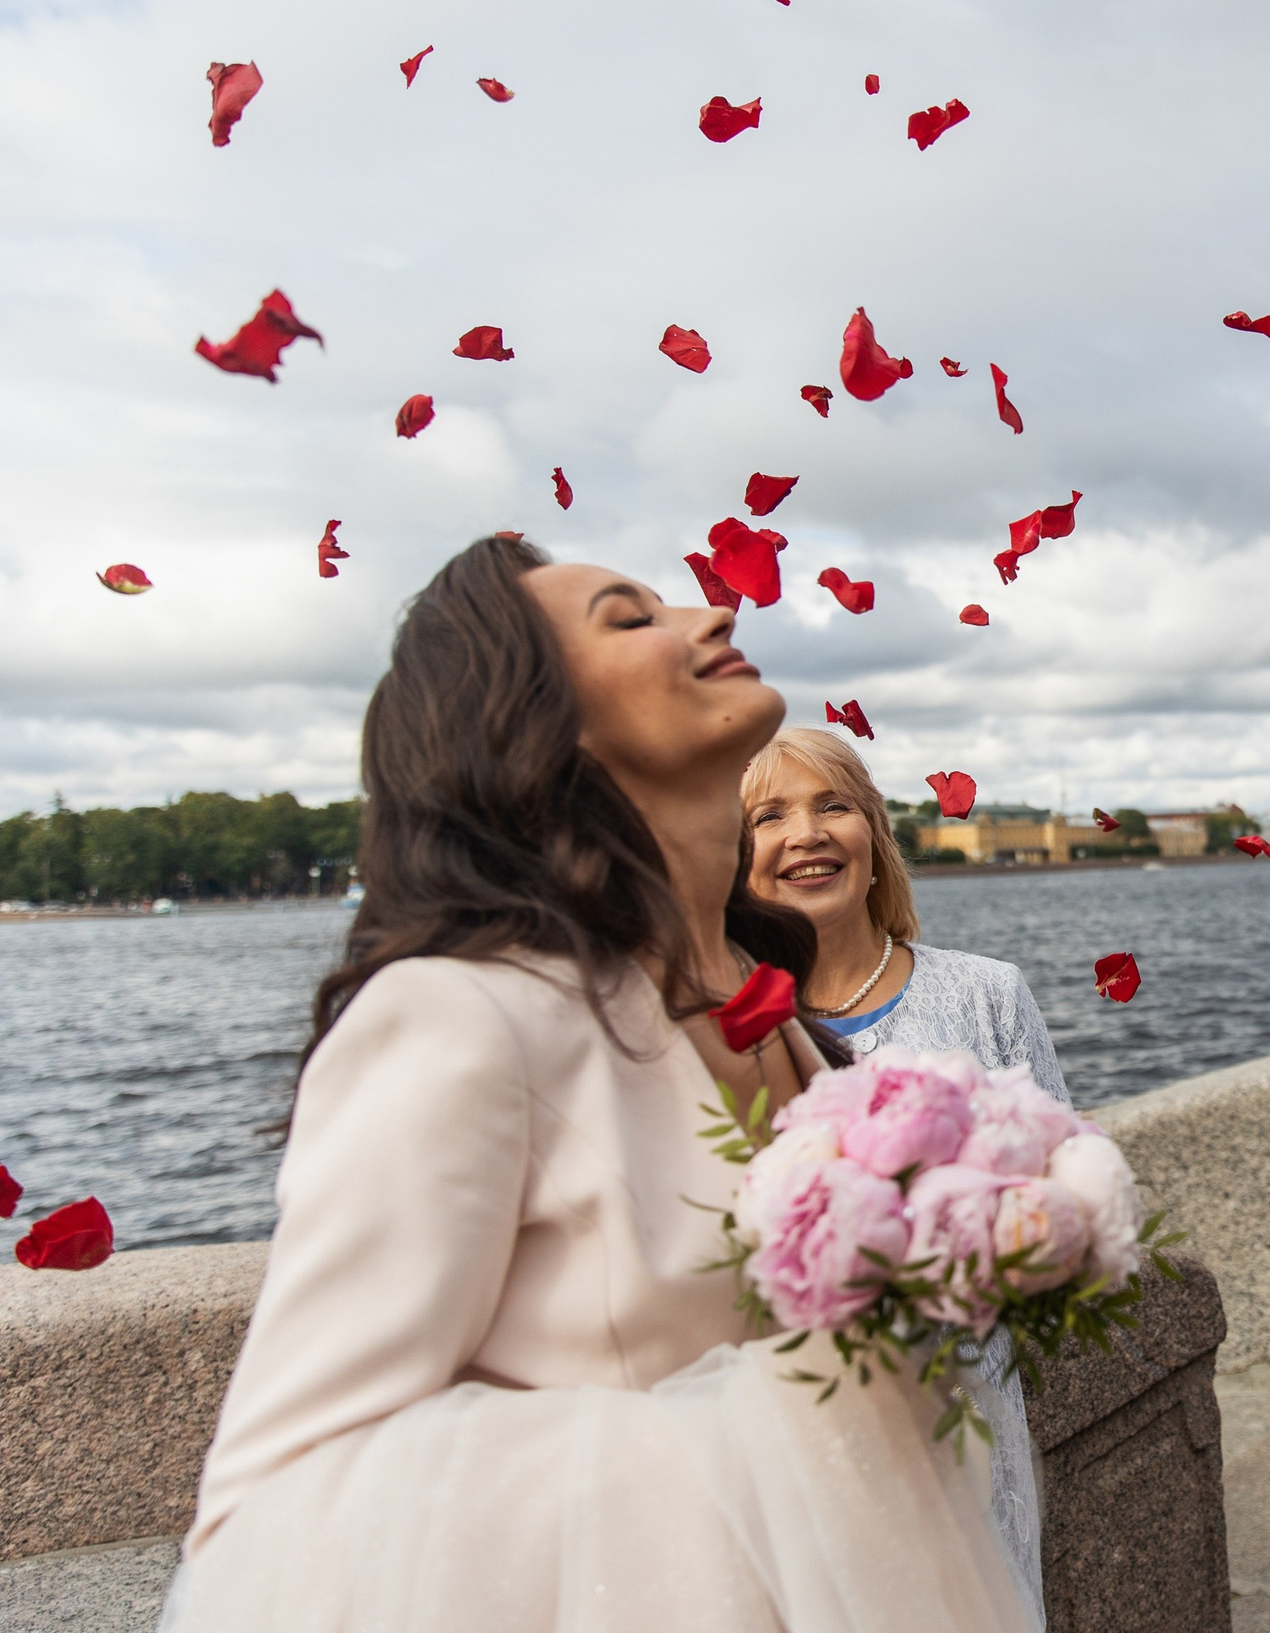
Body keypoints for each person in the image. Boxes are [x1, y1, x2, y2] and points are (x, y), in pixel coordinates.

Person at [163, 539, 1035, 1633]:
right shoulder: (458, 1016)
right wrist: (775, 1434)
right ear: (535, 726)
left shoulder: (781, 1020)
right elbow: (275, 1502)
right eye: (631, 619)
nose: (710, 615)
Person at [741, 722, 1070, 1598]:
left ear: (875, 839)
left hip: (969, 1423)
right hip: (788, 1437)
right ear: (733, 861)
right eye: (768, 816)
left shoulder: (986, 993)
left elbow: (1061, 1195)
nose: (805, 833)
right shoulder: (717, 1028)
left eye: (832, 805)